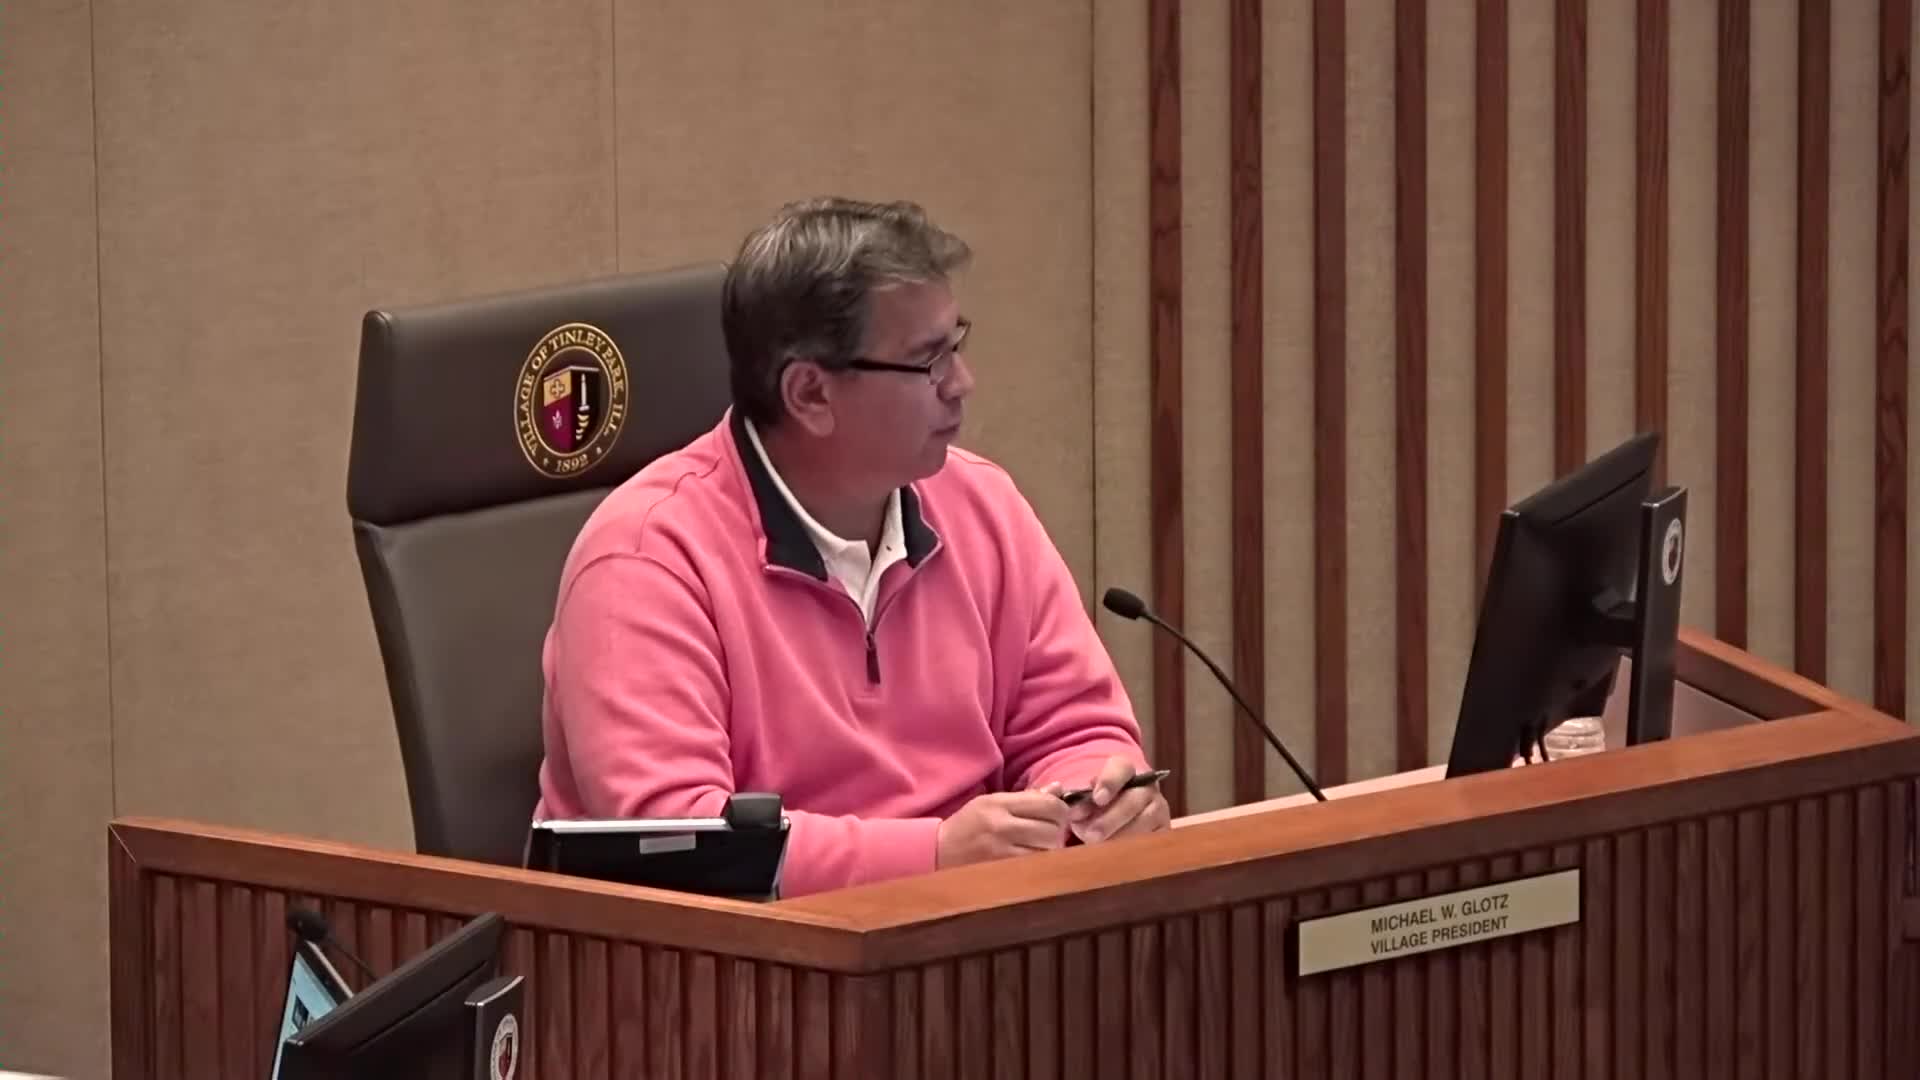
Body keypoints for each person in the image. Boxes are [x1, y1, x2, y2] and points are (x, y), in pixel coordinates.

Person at [534, 197, 1169, 897]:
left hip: (968, 931)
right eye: (928, 362)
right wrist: (933, 856)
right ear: (810, 393)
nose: (962, 384)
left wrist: (1099, 795)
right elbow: (681, 844)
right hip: (745, 953)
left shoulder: (983, 505)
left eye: (955, 347)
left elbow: (1073, 727)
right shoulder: (645, 559)